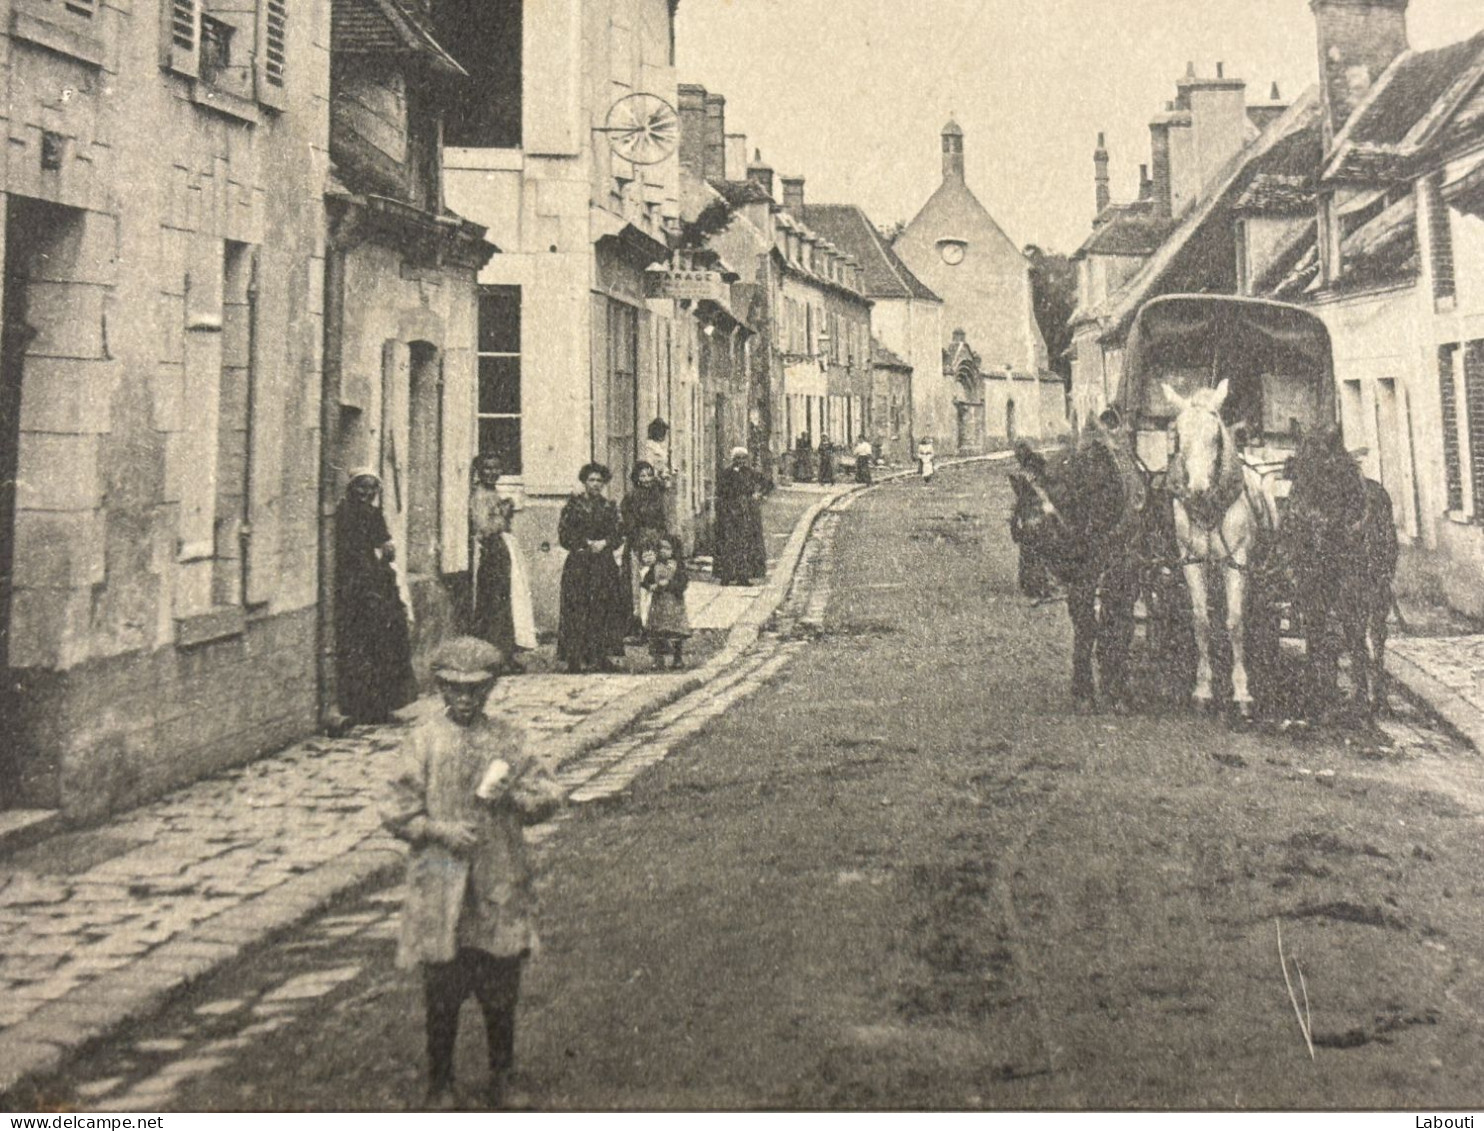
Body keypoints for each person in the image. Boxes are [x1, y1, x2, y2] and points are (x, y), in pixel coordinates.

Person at [383, 636, 563, 1110]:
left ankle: (502, 1075)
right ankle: (439, 1082)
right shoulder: (424, 740)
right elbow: (397, 812)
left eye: (476, 690)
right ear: (440, 688)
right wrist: (439, 830)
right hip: (440, 884)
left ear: (491, 689)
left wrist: (515, 798)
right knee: (442, 988)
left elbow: (547, 795)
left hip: (498, 879)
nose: (465, 699)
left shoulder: (508, 738)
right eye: (454, 689)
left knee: (500, 984)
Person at [334, 470, 415, 726]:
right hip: (355, 586)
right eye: (361, 487)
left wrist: (387, 550)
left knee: (387, 642)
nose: (367, 493)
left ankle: (382, 704)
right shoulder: (344, 513)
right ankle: (360, 705)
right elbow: (348, 551)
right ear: (351, 488)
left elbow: (384, 544)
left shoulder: (375, 513)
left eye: (372, 488)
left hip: (377, 582)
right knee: (361, 647)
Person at [556, 462, 628, 673]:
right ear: (584, 482)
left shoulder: (609, 507)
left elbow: (618, 533)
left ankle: (600, 656)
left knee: (602, 608)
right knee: (577, 608)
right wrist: (585, 543)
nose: (595, 484)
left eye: (599, 481)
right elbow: (564, 535)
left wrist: (605, 543)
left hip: (602, 564)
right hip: (579, 563)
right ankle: (575, 658)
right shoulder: (573, 506)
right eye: (591, 480)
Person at [468, 454, 537, 674]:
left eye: (496, 468)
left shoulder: (492, 492)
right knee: (494, 605)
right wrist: (504, 514)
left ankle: (505, 654)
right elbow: (484, 528)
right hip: (490, 552)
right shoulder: (479, 495)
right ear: (479, 470)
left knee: (507, 603)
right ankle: (493, 658)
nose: (492, 473)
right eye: (487, 468)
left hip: (501, 549)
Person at [619, 460, 669, 637]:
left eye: (649, 475)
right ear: (636, 478)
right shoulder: (631, 498)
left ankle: (654, 623)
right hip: (637, 544)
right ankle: (637, 623)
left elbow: (663, 521)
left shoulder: (657, 496)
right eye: (643, 475)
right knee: (636, 585)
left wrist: (661, 541)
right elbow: (629, 524)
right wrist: (642, 544)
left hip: (656, 542)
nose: (647, 479)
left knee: (655, 582)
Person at [714, 447, 767, 586]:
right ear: (733, 460)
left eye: (743, 459)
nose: (741, 461)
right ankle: (726, 575)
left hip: (746, 512)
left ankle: (743, 576)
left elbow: (765, 483)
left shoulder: (750, 473)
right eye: (738, 459)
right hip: (729, 512)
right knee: (729, 543)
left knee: (745, 544)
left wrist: (758, 494)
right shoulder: (726, 473)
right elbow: (720, 491)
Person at [642, 534, 691, 670]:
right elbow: (647, 580)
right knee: (657, 633)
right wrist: (650, 585)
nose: (664, 551)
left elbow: (683, 582)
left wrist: (669, 584)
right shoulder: (655, 566)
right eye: (661, 548)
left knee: (676, 633)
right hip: (658, 605)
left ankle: (677, 658)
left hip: (674, 604)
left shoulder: (677, 566)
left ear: (674, 550)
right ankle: (658, 659)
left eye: (667, 548)